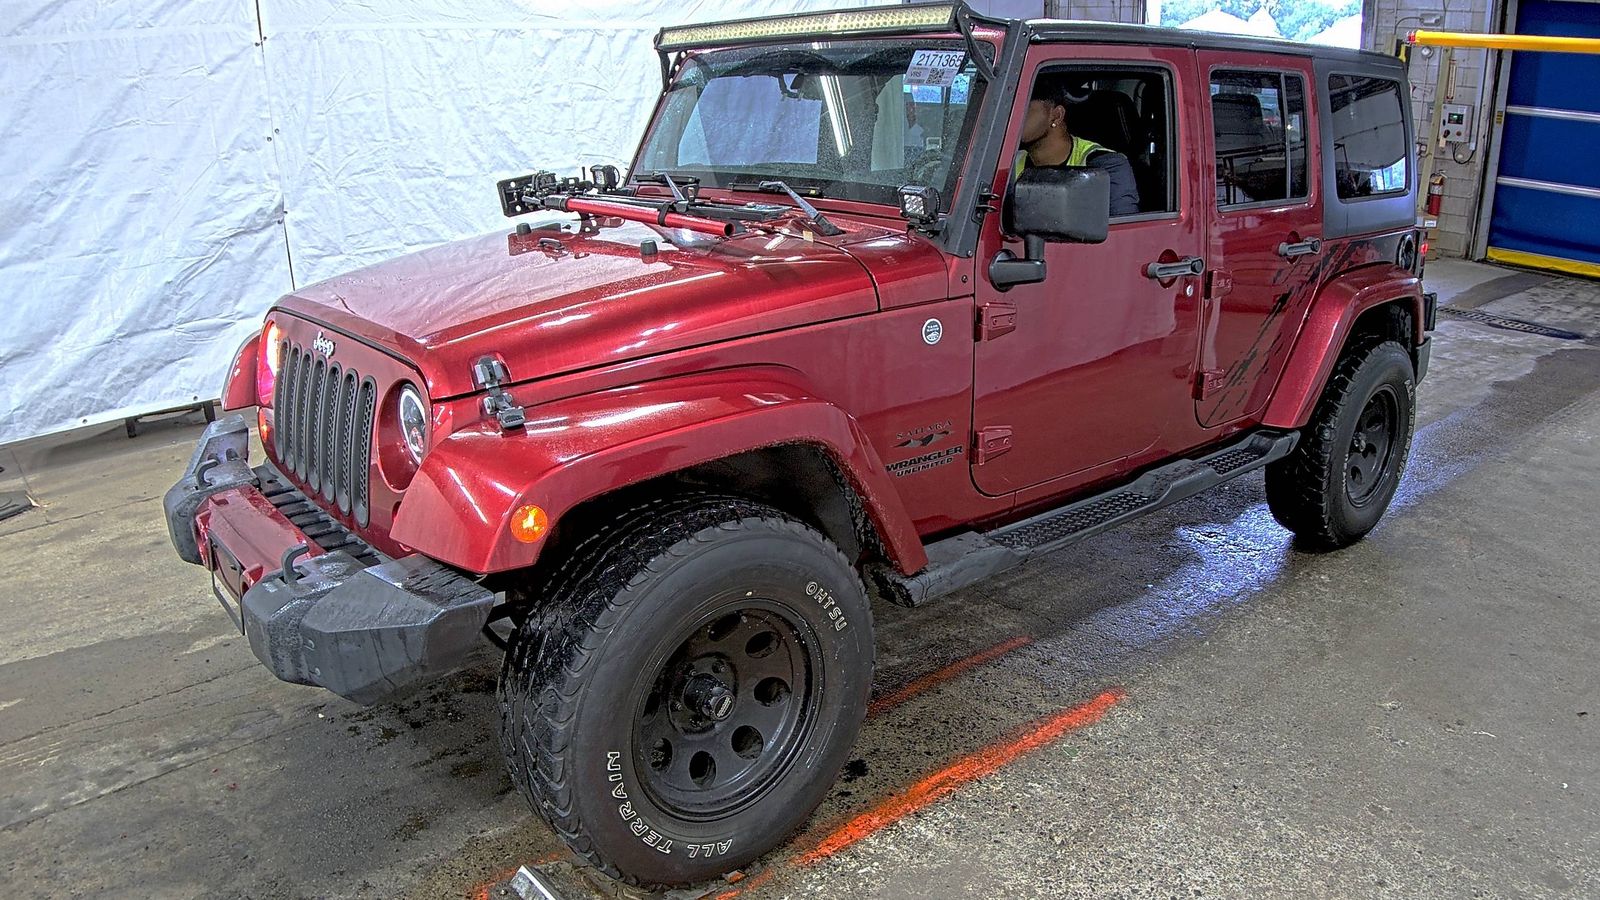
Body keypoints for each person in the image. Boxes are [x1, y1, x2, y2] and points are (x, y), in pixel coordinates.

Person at [1016, 81, 1140, 216]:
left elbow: (1120, 232)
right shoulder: (1011, 162)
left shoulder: (1106, 166)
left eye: (1024, 109)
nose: (1013, 118)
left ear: (1057, 115)